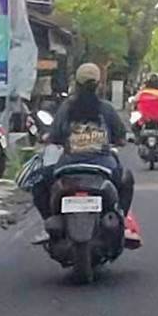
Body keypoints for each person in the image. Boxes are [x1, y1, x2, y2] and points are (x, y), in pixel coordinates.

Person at [38, 60, 143, 247]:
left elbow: (54, 135)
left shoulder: (66, 108)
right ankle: (122, 222)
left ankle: (50, 223)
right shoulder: (106, 109)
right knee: (126, 181)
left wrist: (50, 138)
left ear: (76, 83)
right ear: (99, 84)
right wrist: (121, 140)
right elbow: (120, 136)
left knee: (40, 183)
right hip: (103, 166)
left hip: (68, 166)